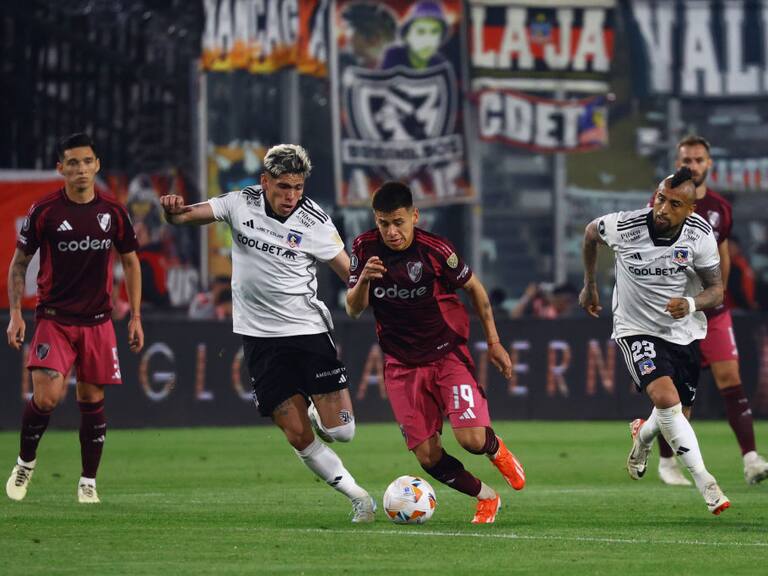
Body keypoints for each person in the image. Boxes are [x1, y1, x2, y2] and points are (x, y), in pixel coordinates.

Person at [159, 144, 376, 523]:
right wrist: (172, 210)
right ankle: (358, 497)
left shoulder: (316, 223)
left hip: (308, 332)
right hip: (259, 339)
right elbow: (186, 217)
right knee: (295, 434)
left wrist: (368, 288)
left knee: (342, 432)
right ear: (264, 182)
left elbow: (350, 276)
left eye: (297, 186)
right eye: (282, 186)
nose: (291, 195)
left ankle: (316, 408)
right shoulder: (239, 203)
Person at [345, 181, 525, 524]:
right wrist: (363, 280)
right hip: (400, 365)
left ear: (415, 215)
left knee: (471, 439)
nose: (392, 232)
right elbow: (354, 309)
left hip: (446, 355)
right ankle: (487, 497)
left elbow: (475, 289)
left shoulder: (435, 250)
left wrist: (495, 343)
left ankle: (494, 448)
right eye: (383, 223)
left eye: (398, 222)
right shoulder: (364, 248)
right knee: (428, 457)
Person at [580, 166, 730, 515]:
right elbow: (590, 234)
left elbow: (716, 290)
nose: (663, 209)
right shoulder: (624, 225)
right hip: (635, 328)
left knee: (677, 414)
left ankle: (643, 436)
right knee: (665, 398)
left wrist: (691, 304)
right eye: (660, 199)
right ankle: (706, 482)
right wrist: (589, 284)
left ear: (689, 209)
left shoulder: (700, 234)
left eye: (674, 204)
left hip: (683, 331)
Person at [5, 133, 144, 504]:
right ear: (60, 168)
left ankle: (88, 482)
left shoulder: (114, 212)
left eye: (87, 162)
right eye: (73, 163)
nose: (80, 169)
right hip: (54, 318)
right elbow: (19, 264)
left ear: (97, 165)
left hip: (98, 321)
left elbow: (131, 261)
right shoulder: (45, 211)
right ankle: (25, 462)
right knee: (47, 398)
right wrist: (16, 313)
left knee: (91, 398)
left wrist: (136, 317)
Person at [651, 136, 768, 486]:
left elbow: (724, 254)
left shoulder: (720, 208)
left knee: (730, 379)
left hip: (712, 310)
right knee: (674, 392)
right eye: (686, 159)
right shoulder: (662, 200)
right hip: (674, 311)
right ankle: (667, 462)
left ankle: (750, 460)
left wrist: (718, 296)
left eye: (699, 159)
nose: (693, 165)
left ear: (709, 163)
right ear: (677, 160)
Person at [380, 1, 449, 70]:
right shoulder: (394, 56)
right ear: (407, 36)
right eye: (420, 32)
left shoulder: (440, 64)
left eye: (434, 32)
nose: (428, 40)